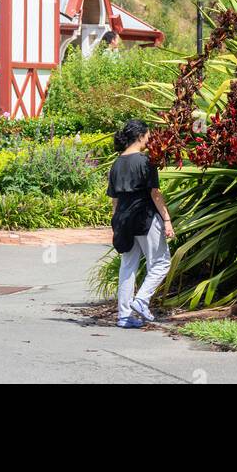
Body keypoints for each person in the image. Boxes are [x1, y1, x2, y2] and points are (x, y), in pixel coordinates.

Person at [108, 118, 174, 329]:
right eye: (148, 135)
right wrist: (167, 219)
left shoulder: (116, 163)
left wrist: (116, 224)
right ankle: (142, 300)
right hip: (145, 218)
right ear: (140, 135)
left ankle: (124, 316)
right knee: (162, 262)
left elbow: (115, 200)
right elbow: (155, 194)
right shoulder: (146, 161)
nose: (150, 138)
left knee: (128, 266)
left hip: (123, 219)